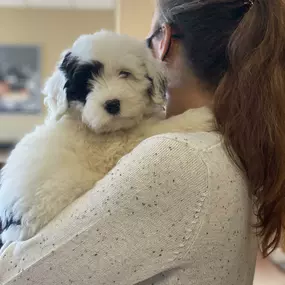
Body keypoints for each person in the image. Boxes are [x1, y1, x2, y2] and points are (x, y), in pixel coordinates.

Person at [1, 0, 285, 284]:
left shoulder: (177, 157)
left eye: (125, 74)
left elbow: (18, 275)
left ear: (164, 42)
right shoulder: (232, 146)